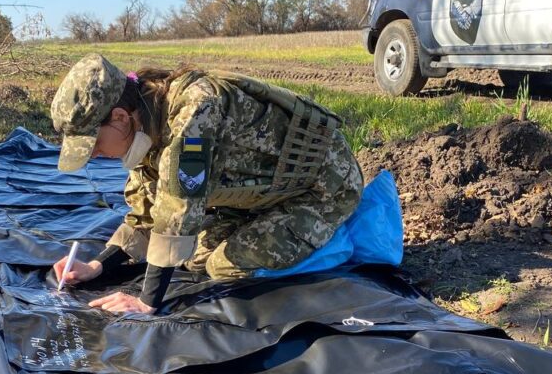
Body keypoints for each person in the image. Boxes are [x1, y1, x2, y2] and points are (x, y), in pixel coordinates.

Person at [50, 53, 364, 314]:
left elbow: (178, 209)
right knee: (194, 258)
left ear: (119, 117)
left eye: (94, 143)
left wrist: (145, 303)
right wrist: (97, 266)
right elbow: (148, 210)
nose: (95, 154)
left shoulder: (193, 114)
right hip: (264, 194)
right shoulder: (145, 117)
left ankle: (336, 241)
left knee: (223, 265)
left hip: (322, 187)